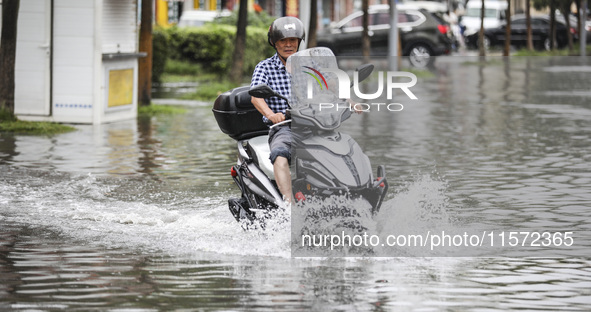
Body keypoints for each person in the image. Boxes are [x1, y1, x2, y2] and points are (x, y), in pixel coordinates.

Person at [250, 16, 305, 205]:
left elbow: (328, 86)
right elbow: (256, 96)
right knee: (280, 155)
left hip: (312, 125)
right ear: (274, 42)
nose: (288, 44)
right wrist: (271, 115)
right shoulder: (264, 67)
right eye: (283, 40)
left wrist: (348, 100)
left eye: (293, 40)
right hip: (284, 126)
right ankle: (289, 206)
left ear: (299, 42)